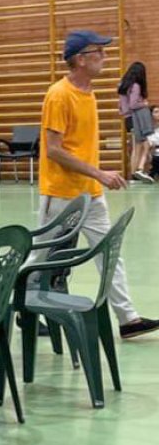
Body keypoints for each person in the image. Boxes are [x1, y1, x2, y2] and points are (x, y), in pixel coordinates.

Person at [37, 30, 159, 339]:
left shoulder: (88, 92)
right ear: (80, 59)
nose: (104, 57)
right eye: (98, 52)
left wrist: (95, 179)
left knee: (110, 253)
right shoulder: (59, 94)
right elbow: (53, 149)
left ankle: (128, 319)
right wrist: (99, 173)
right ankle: (21, 311)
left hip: (90, 193)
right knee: (40, 258)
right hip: (62, 193)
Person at [117, 61, 153, 182]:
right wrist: (144, 103)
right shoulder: (135, 85)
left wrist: (124, 112)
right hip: (134, 117)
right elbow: (133, 104)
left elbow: (120, 106)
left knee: (137, 145)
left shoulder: (122, 84)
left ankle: (136, 172)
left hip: (127, 118)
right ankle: (135, 172)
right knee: (140, 145)